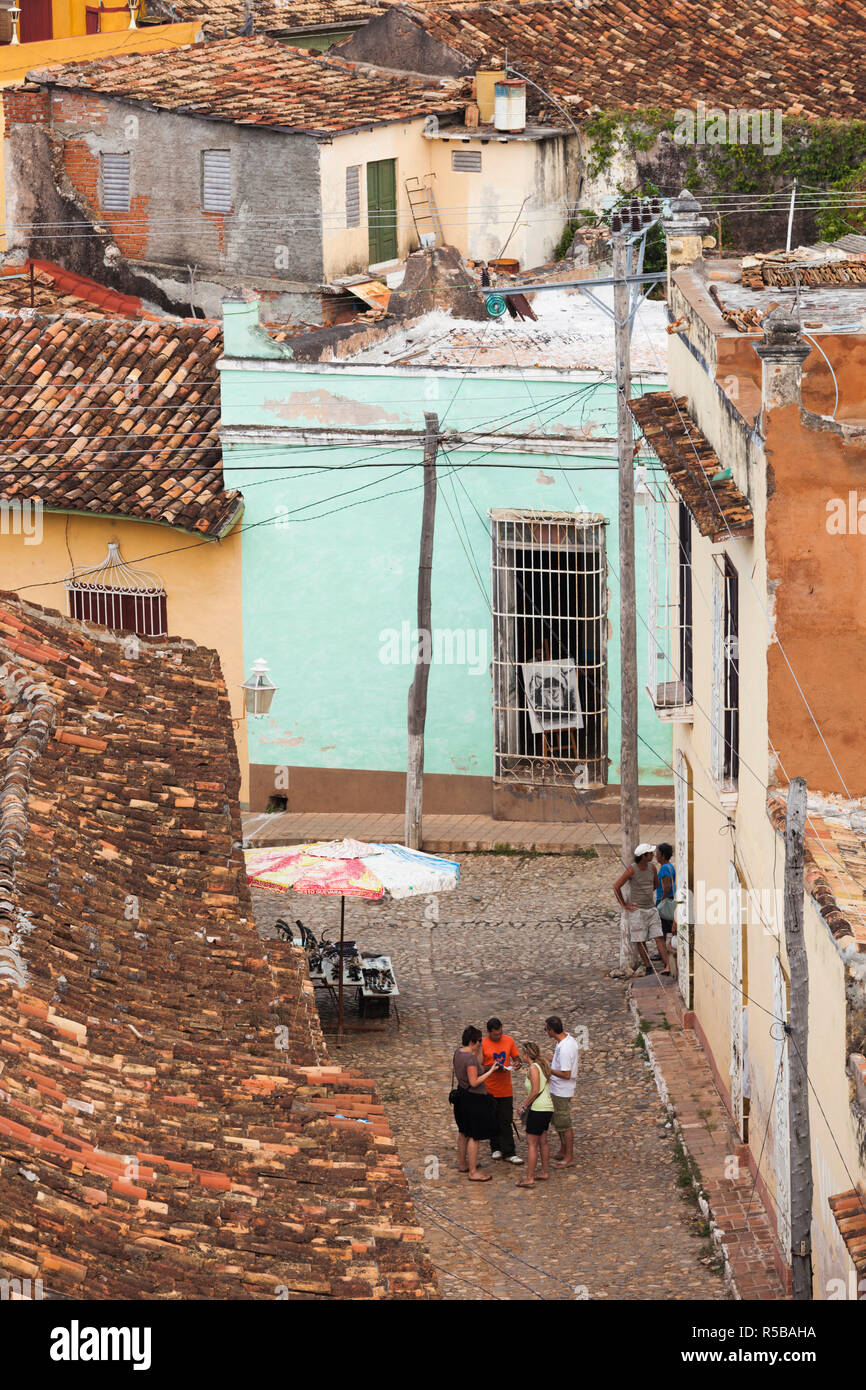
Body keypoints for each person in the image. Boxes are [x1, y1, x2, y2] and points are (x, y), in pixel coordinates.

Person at [613, 843, 671, 977]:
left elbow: (656, 884)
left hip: (651, 909)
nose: (652, 855)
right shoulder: (631, 870)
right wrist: (624, 905)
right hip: (637, 911)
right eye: (650, 853)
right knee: (640, 939)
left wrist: (646, 893)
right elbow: (616, 887)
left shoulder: (652, 868)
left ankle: (667, 965)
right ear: (644, 856)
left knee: (659, 937)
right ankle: (648, 965)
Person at [452, 1025, 499, 1181]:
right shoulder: (470, 1058)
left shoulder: (458, 1052)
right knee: (474, 1135)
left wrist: (478, 1052)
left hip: (461, 1096)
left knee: (463, 1132)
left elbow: (473, 1069)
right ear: (473, 1041)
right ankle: (473, 1172)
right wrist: (491, 1071)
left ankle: (463, 1164)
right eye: (479, 1041)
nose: (481, 1043)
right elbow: (474, 1081)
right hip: (473, 1099)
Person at [481, 1017, 524, 1165]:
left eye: (500, 1033)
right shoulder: (483, 1044)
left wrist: (517, 1064)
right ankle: (495, 1147)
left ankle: (509, 1152)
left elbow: (517, 1058)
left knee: (506, 1120)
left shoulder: (509, 1041)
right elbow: (479, 1067)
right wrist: (492, 1067)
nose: (498, 1036)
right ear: (488, 1032)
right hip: (489, 1089)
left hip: (505, 1089)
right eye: (495, 1034)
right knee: (492, 1120)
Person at [516, 1042, 553, 1188]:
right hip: (547, 1107)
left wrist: (524, 1105)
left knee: (532, 1144)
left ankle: (530, 1177)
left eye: (521, 1053)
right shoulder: (541, 1066)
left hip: (538, 1109)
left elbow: (535, 1090)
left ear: (526, 1054)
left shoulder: (533, 1067)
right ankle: (544, 1171)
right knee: (543, 1141)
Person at [545, 1015, 579, 1168]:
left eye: (546, 1029)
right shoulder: (566, 1041)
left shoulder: (565, 1048)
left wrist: (548, 1070)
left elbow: (566, 1073)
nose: (545, 1031)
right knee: (558, 1121)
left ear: (551, 1030)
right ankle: (563, 1150)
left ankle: (569, 1157)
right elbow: (559, 1062)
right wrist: (544, 1057)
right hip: (557, 1088)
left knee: (564, 1124)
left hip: (561, 1091)